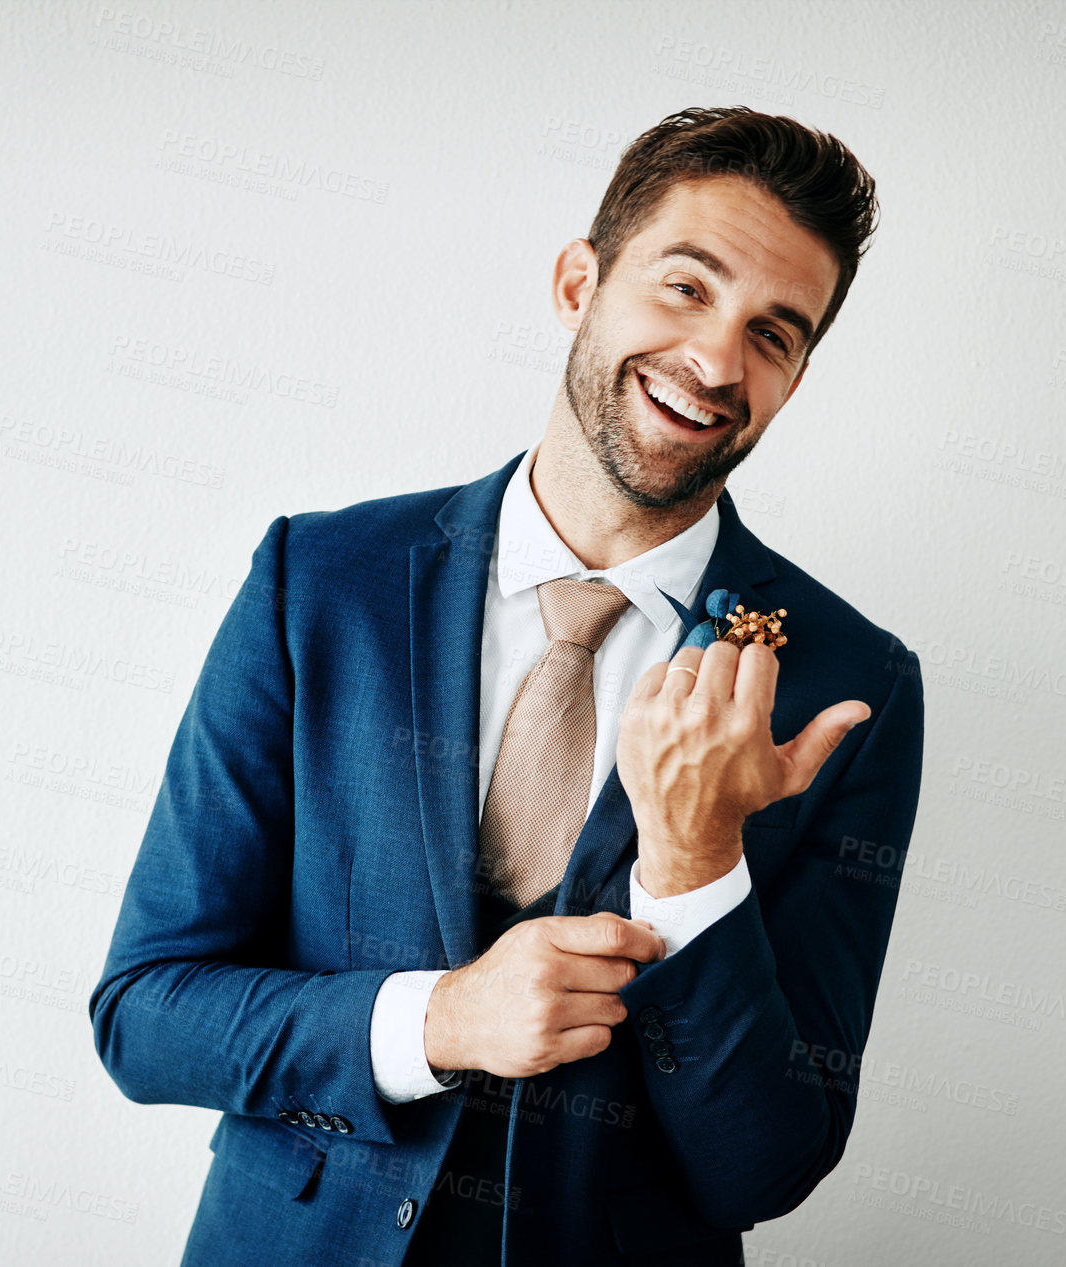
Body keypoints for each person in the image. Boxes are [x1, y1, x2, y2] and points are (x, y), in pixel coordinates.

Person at [90, 105, 924, 1267]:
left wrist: (692, 873)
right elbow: (145, 1014)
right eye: (687, 288)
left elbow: (767, 1166)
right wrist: (436, 1021)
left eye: (773, 334)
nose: (717, 361)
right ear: (578, 281)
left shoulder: (847, 684)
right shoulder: (319, 582)